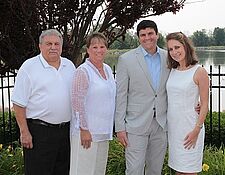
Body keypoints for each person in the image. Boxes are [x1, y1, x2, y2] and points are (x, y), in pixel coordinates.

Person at [11, 29, 76, 175]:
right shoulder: (29, 68)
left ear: (61, 46)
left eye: (56, 44)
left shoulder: (70, 66)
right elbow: (18, 102)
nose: (53, 47)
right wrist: (24, 132)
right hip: (39, 133)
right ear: (40, 46)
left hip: (65, 132)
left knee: (63, 171)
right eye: (49, 44)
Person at [115, 20, 170, 175]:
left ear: (157, 35)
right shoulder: (126, 59)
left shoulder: (168, 58)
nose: (147, 38)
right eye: (143, 35)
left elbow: (178, 85)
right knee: (134, 170)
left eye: (150, 33)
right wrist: (120, 127)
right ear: (139, 37)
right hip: (135, 125)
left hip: (160, 124)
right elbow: (121, 95)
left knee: (155, 170)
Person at [69, 32, 116, 175]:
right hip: (86, 133)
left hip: (102, 132)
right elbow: (77, 102)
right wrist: (84, 129)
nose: (99, 50)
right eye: (94, 47)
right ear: (88, 50)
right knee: (82, 171)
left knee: (98, 171)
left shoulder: (107, 69)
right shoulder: (83, 71)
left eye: (102, 46)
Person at [166, 32, 209, 175]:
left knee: (189, 171)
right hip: (174, 130)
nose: (174, 52)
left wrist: (196, 130)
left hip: (190, 129)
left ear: (186, 47)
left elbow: (204, 104)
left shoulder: (199, 71)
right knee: (178, 171)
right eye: (170, 49)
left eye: (177, 47)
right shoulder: (172, 71)